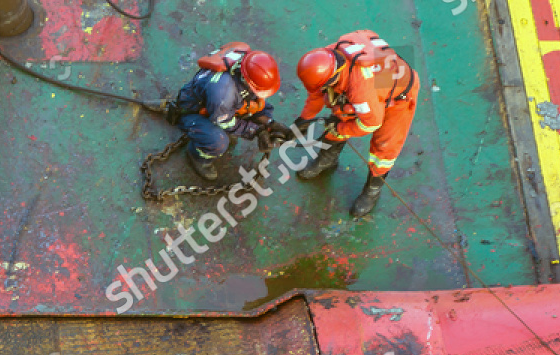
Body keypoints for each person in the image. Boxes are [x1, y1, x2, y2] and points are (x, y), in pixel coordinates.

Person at [292, 30, 419, 216]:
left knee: (385, 145)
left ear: (332, 78)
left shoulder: (360, 89)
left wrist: (340, 127)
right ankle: (327, 160)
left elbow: (371, 124)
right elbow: (317, 92)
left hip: (400, 94)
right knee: (340, 112)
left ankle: (372, 191)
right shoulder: (325, 59)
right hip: (383, 73)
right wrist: (304, 118)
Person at [144, 43, 281, 181]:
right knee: (218, 141)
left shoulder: (245, 60)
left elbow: (258, 102)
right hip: (193, 112)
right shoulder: (223, 95)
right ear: (246, 80)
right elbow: (226, 123)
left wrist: (270, 123)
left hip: (215, 102)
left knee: (260, 105)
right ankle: (198, 156)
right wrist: (256, 131)